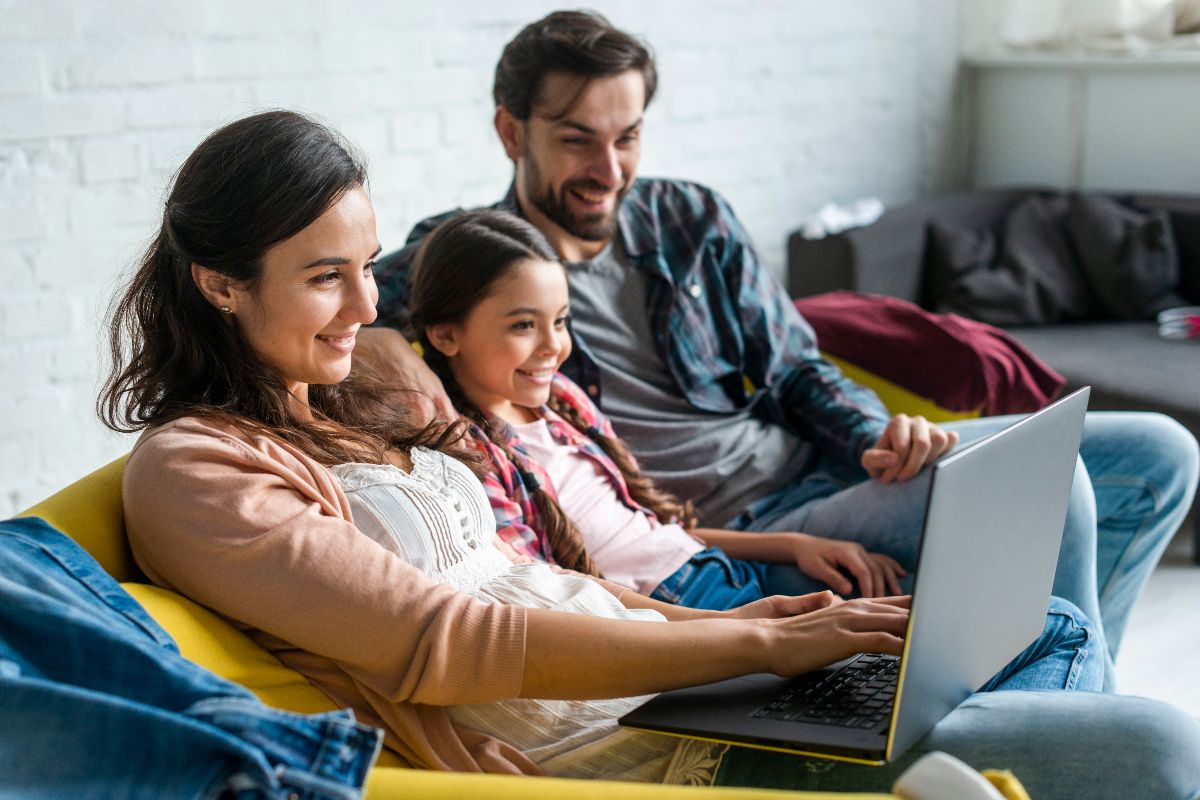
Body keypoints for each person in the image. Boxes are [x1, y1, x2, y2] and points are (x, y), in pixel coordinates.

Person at [100, 110, 1200, 799]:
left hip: (676, 673)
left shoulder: (342, 411)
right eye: (322, 276)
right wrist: (747, 653)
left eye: (365, 264)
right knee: (1150, 750)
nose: (363, 304)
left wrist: (737, 624)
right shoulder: (195, 469)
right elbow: (448, 639)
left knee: (1050, 624)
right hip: (620, 738)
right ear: (220, 281)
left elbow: (540, 568)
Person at [365, 10, 1200, 682]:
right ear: (512, 132)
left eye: (628, 137)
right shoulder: (470, 262)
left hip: (820, 467)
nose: (610, 169)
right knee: (1054, 489)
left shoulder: (690, 217)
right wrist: (394, 351)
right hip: (718, 532)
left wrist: (874, 433)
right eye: (578, 139)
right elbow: (345, 317)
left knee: (1161, 452)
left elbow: (795, 365)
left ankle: (1073, 699)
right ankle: (1071, 719)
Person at [408, 208, 905, 605]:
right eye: (523, 326)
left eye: (560, 321)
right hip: (675, 608)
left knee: (904, 610)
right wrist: (741, 632)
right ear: (446, 333)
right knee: (878, 645)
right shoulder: (468, 457)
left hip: (715, 567)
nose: (553, 347)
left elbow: (656, 534)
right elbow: (545, 589)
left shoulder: (563, 403)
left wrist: (797, 546)